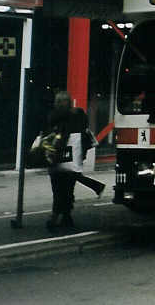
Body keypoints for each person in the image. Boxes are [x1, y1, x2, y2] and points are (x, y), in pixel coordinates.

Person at [46, 91, 104, 229]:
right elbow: (83, 130)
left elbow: (50, 124)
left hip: (58, 157)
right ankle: (66, 216)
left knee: (58, 189)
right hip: (74, 157)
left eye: (58, 101)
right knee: (68, 187)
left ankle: (56, 217)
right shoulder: (79, 114)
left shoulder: (55, 115)